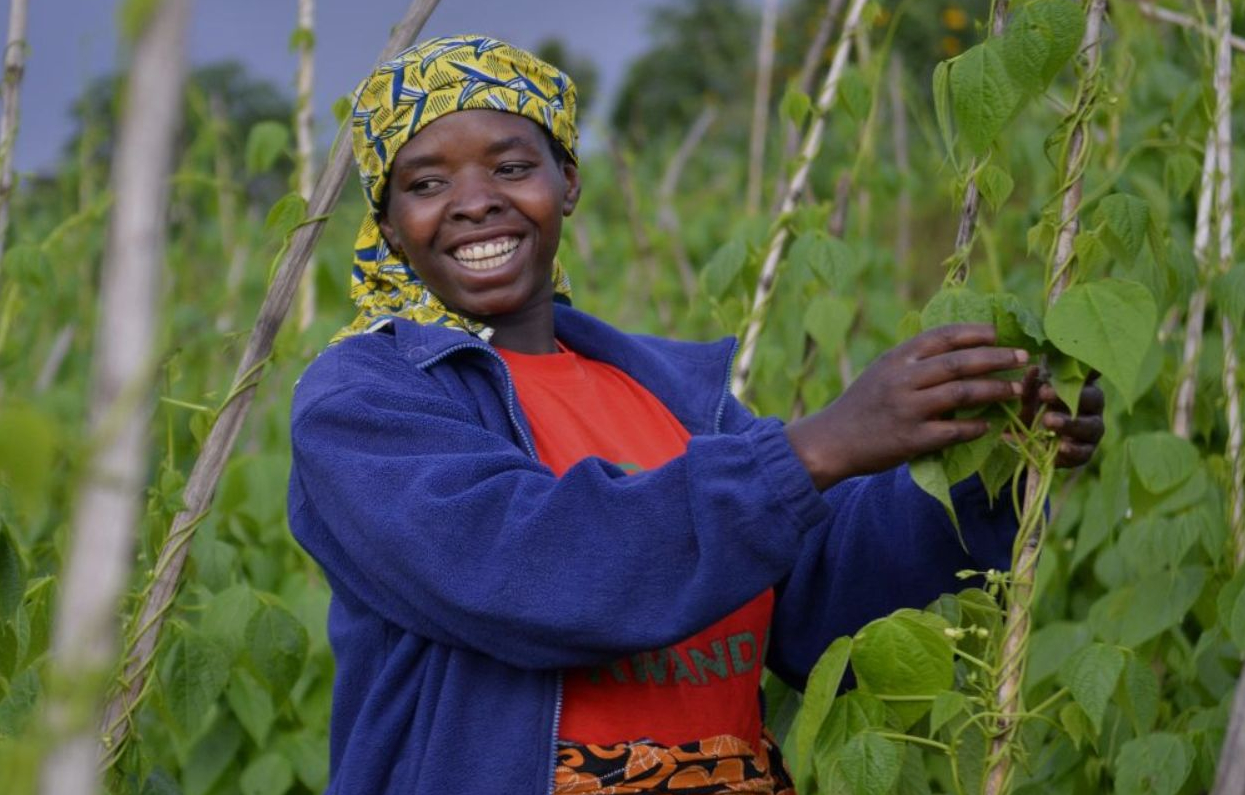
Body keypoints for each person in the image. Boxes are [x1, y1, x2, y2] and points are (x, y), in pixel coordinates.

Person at [286, 35, 1104, 795]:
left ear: (567, 181)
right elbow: (526, 563)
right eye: (426, 183)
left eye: (510, 166)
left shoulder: (670, 390)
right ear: (389, 228)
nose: (473, 203)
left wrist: (988, 458)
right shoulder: (364, 401)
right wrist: (816, 447)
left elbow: (814, 594)